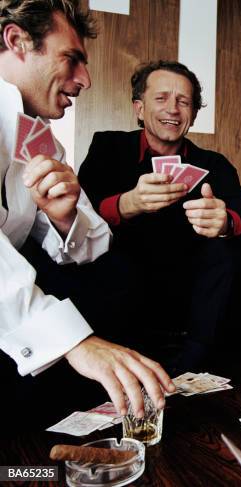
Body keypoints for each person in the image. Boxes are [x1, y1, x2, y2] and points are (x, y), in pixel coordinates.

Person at [0, 0, 174, 420]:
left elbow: (93, 243)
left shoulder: (42, 142)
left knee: (118, 274)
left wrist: (63, 219)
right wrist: (75, 342)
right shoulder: (108, 146)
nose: (86, 79)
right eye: (72, 59)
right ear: (16, 41)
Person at [78, 60, 241, 372]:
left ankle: (193, 363)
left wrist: (225, 221)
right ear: (139, 108)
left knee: (232, 250)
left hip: (194, 304)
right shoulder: (108, 147)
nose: (173, 109)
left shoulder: (213, 163)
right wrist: (126, 204)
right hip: (121, 297)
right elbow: (75, 219)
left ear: (194, 115)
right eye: (161, 99)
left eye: (183, 101)